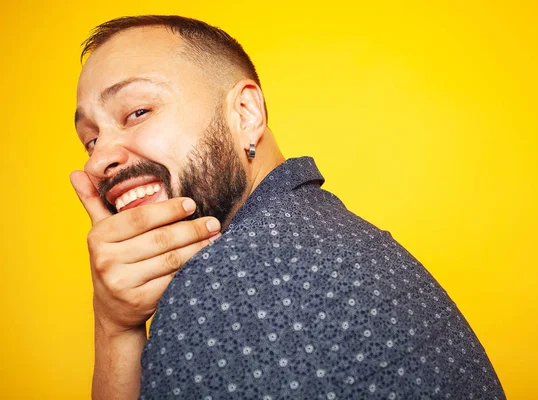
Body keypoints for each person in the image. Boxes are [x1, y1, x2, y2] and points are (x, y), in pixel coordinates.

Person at [71, 15, 505, 400]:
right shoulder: (329, 233)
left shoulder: (224, 292)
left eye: (137, 111)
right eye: (90, 139)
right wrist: (115, 325)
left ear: (245, 113)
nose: (98, 159)